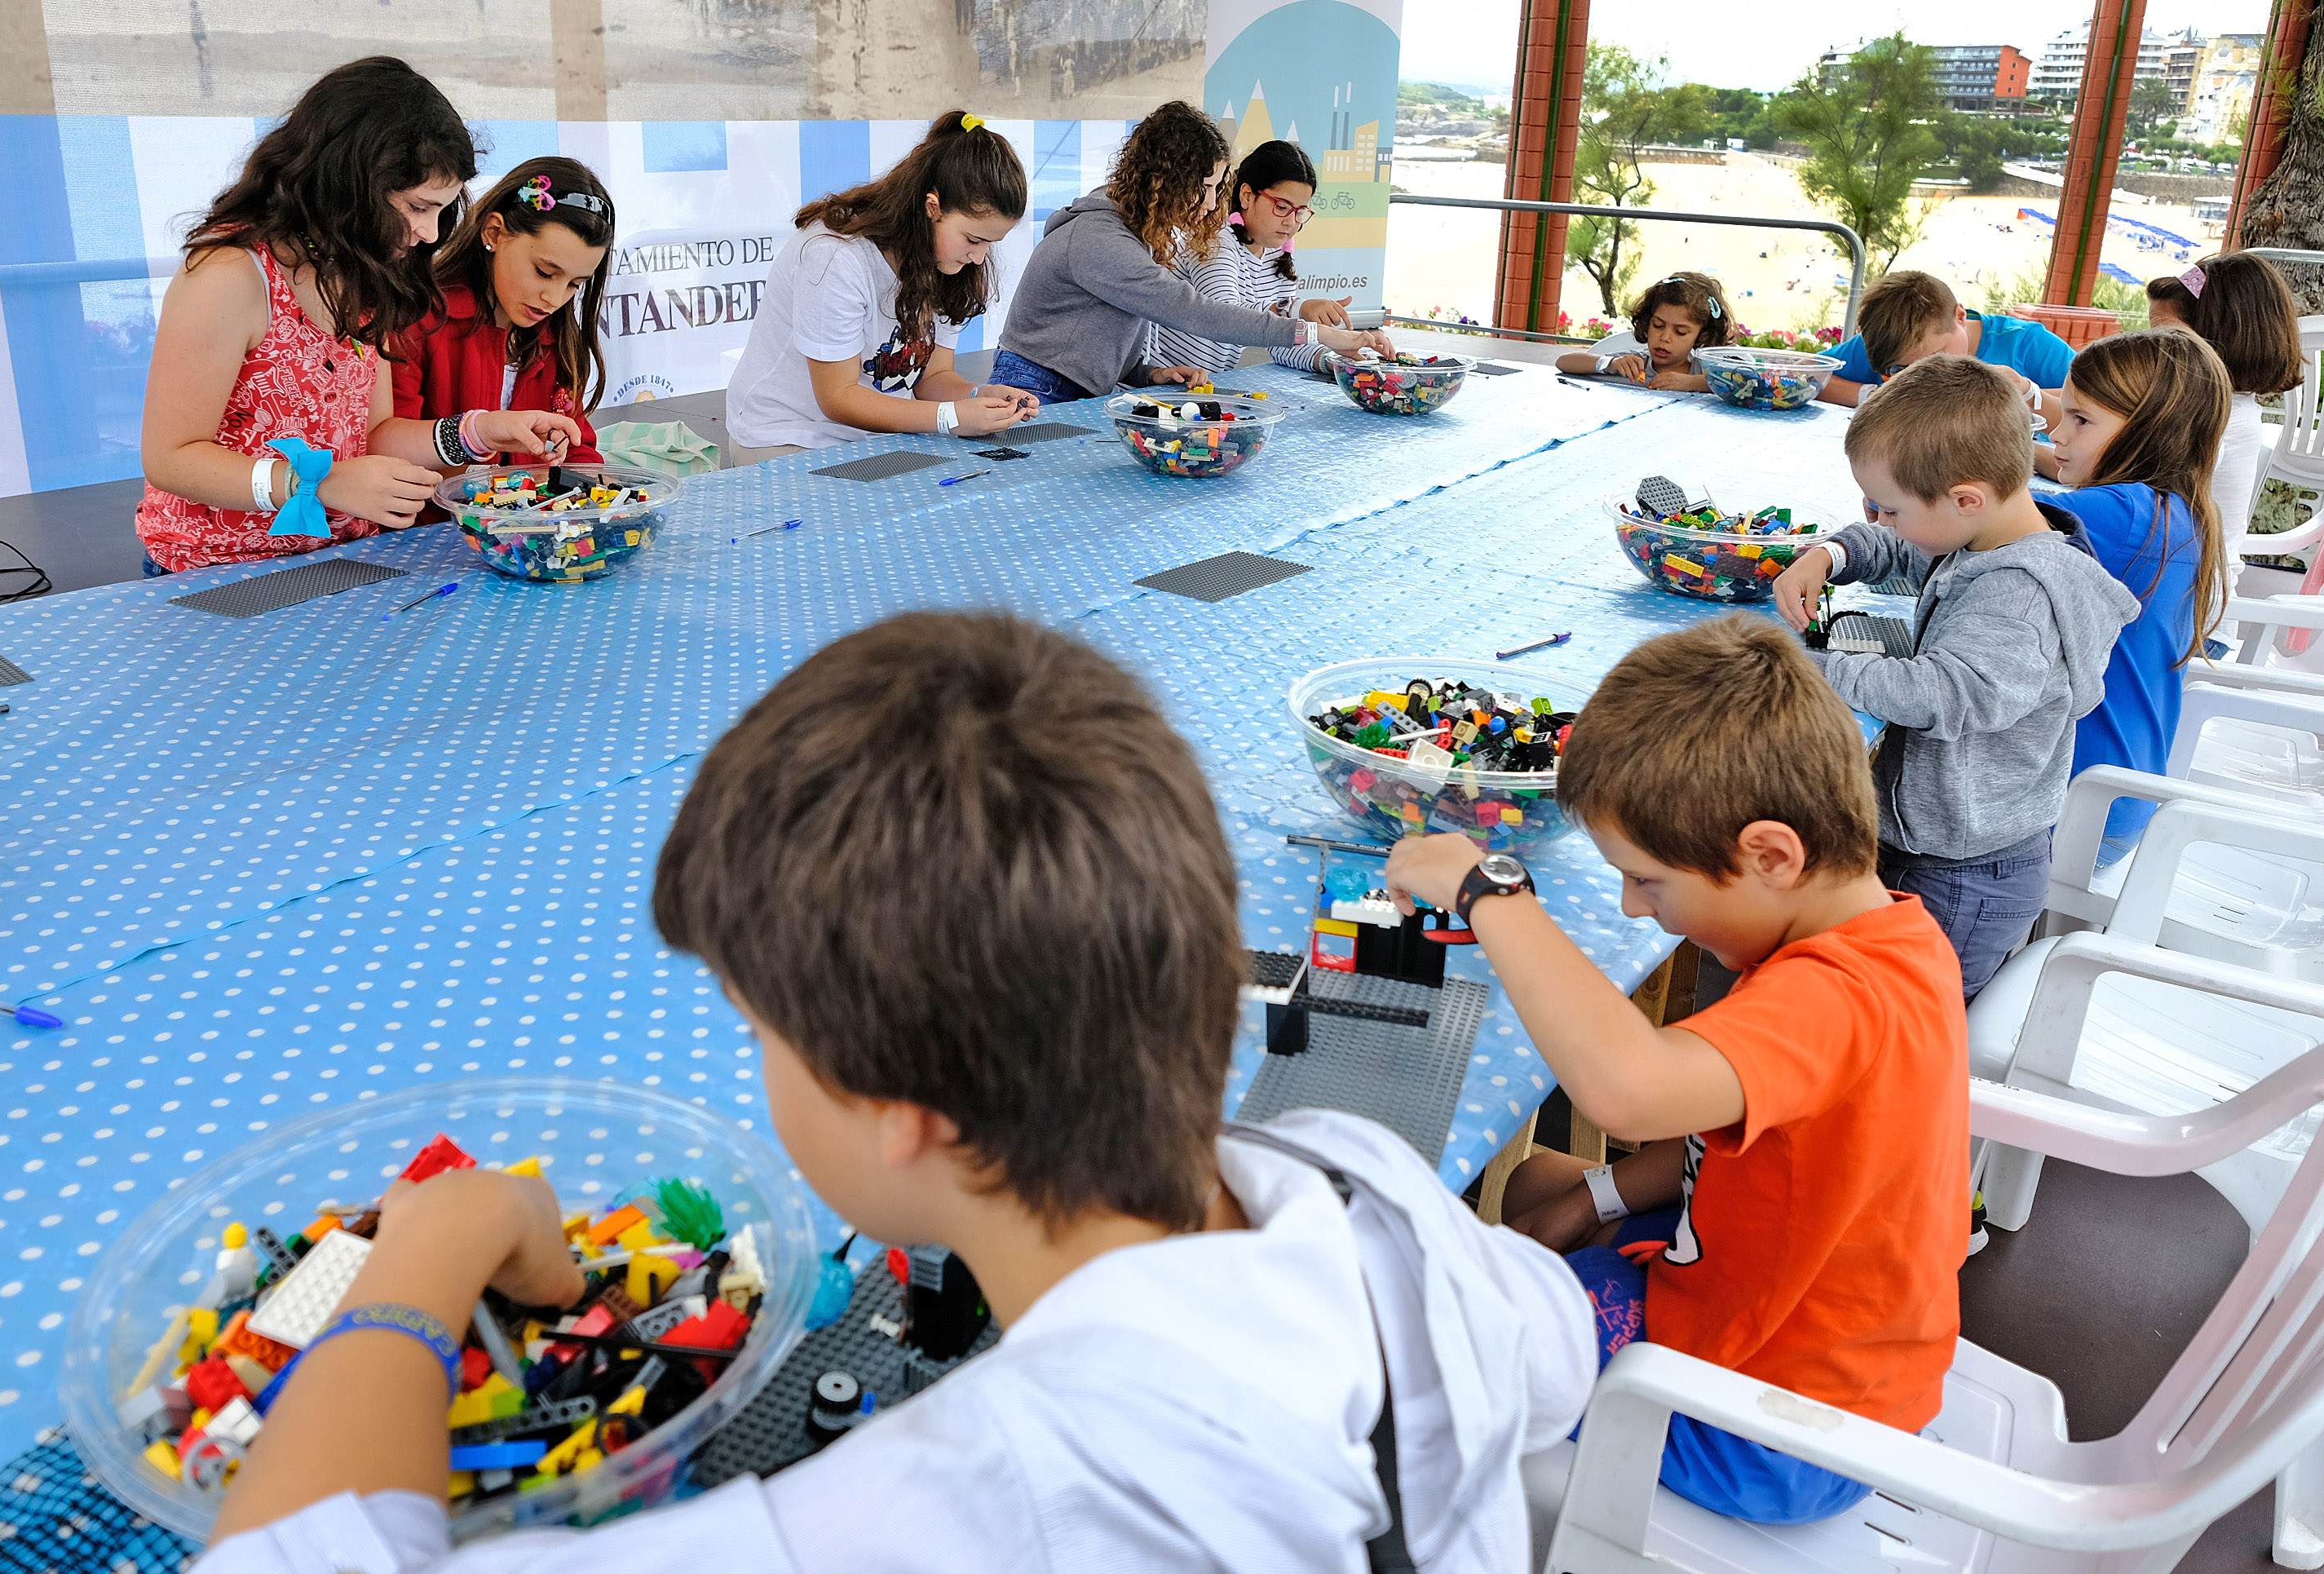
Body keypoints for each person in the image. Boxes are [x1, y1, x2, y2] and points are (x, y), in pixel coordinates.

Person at [188, 610, 1598, 1574]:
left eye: (758, 1030)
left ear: (909, 1110)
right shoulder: (1362, 1178)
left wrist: (423, 1261)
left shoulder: (968, 1508)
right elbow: (1548, 1355)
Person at [1382, 614, 1970, 1526]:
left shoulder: (1838, 998)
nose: (1633, 906)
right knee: (1543, 1183)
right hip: (1804, 1327)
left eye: (1648, 881)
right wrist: (1601, 1196)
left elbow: (1626, 1086)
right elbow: (1740, 1144)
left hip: (1776, 1431)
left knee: (1424, 1328)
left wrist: (1488, 892)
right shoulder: (1890, 935)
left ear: (1771, 855)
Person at [1772, 356, 2139, 998]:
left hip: (1963, 877)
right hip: (1937, 846)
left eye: (1887, 508)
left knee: (1907, 1023)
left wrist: (1814, 670)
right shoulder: (1982, 536)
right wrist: (1831, 553)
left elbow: (1944, 692)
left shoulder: (2020, 594)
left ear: (1965, 498)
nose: (1881, 521)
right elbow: (1902, 548)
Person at [136, 58, 581, 574]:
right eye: (418, 207)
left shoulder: (367, 272)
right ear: (350, 182)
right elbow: (171, 457)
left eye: (442, 208)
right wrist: (319, 485)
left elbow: (377, 434)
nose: (432, 234)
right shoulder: (229, 276)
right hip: (216, 569)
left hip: (343, 559)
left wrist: (481, 432)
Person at [993, 101, 1392, 402]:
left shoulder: (1140, 232)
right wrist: (1316, 332)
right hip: (1037, 384)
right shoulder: (1101, 238)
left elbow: (1097, 332)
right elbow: (1197, 312)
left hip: (1077, 386)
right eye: (1205, 187)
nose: (1210, 202)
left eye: (1218, 188)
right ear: (1163, 181)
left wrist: (1147, 374)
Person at [725, 112, 1040, 466]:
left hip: (878, 437)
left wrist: (979, 396)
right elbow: (838, 397)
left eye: (989, 244)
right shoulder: (835, 256)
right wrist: (950, 417)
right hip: (788, 435)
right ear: (932, 207)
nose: (979, 258)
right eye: (972, 239)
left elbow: (932, 378)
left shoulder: (947, 263)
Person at [2043, 329, 2233, 842]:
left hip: (2078, 811)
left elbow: (1968, 518)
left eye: (2080, 420)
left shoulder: (2120, 514)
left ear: (2152, 429)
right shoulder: (2176, 509)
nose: (2056, 435)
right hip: (2126, 798)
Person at [395, 157, 615, 477]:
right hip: (433, 525)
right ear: (495, 233)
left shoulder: (555, 338)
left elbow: (576, 449)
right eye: (543, 272)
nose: (553, 299)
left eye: (574, 285)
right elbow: (385, 446)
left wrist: (599, 488)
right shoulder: (417, 320)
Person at [2146, 254, 2304, 588]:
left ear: (2219, 340)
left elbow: (2105, 469)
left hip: (2186, 622)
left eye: (2170, 339)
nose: (2155, 350)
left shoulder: (2215, 417)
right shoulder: (2221, 405)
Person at [1144, 139, 1356, 378]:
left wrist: (1343, 362)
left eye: (1301, 212)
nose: (1291, 221)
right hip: (1155, 383)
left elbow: (1281, 341)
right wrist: (1298, 309)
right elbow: (1227, 317)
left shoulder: (1278, 253)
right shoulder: (1212, 239)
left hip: (1197, 386)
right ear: (1246, 195)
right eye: (1282, 207)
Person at [1815, 270, 2070, 428]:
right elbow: (1804, 374)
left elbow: (2102, 404)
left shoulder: (2027, 344)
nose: (1925, 373)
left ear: (1960, 316)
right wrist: (1874, 396)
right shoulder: (1888, 341)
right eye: (1900, 369)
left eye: (1937, 357)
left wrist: (2024, 394)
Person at [1552, 272, 1732, 391]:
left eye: (1680, 332)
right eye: (1658, 326)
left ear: (1702, 336)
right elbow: (1564, 362)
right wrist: (1610, 364)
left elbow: (1747, 383)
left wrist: (1694, 383)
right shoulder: (1635, 364)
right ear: (1647, 321)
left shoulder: (1705, 370)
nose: (1665, 338)